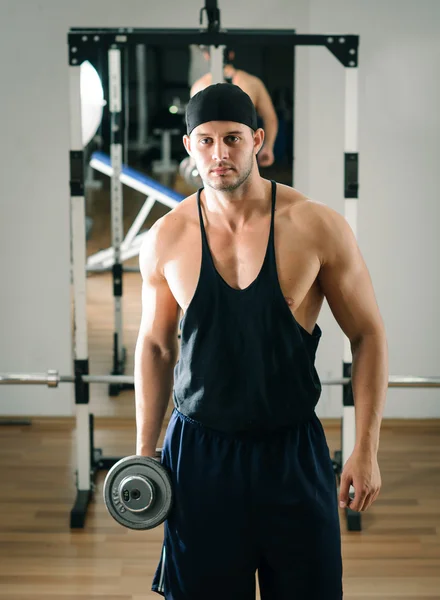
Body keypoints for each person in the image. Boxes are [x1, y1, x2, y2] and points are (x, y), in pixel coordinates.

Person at [134, 83, 388, 599]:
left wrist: (366, 448)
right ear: (189, 146)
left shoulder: (316, 226)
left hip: (290, 452)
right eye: (205, 141)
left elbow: (367, 334)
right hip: (199, 455)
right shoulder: (167, 236)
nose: (219, 154)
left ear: (257, 139)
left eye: (232, 139)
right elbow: (157, 347)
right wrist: (144, 451)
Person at [190, 47, 278, 167]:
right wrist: (268, 147)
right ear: (231, 55)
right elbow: (270, 119)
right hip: (244, 154)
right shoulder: (252, 83)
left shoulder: (200, 86)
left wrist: (193, 157)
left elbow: (194, 129)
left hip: (213, 159)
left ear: (207, 56)